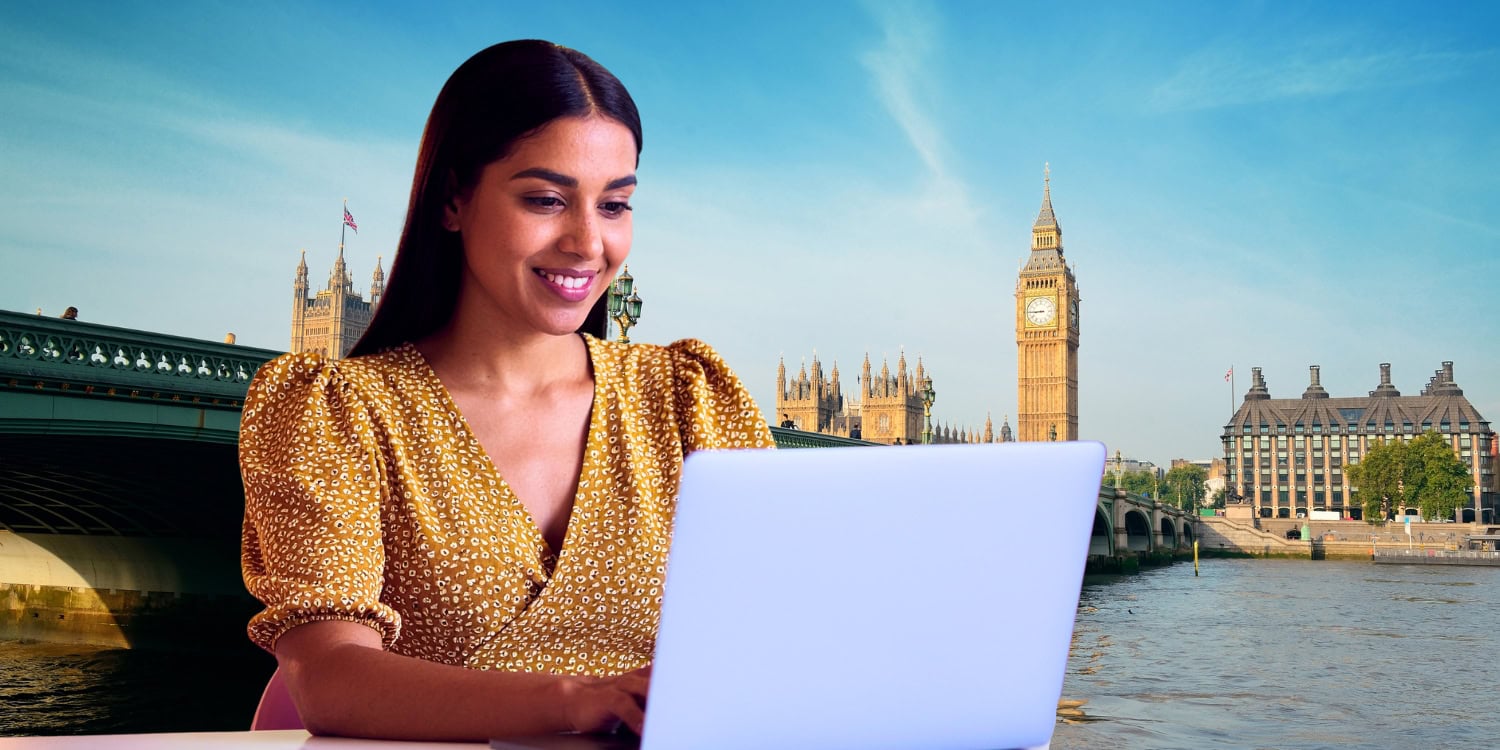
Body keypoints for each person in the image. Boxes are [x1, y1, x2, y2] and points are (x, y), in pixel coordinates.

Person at [238, 40, 773, 741]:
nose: (588, 243)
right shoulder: (334, 413)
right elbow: (330, 678)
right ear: (455, 199)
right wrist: (582, 702)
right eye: (547, 200)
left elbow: (781, 624)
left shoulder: (687, 400)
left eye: (615, 206)